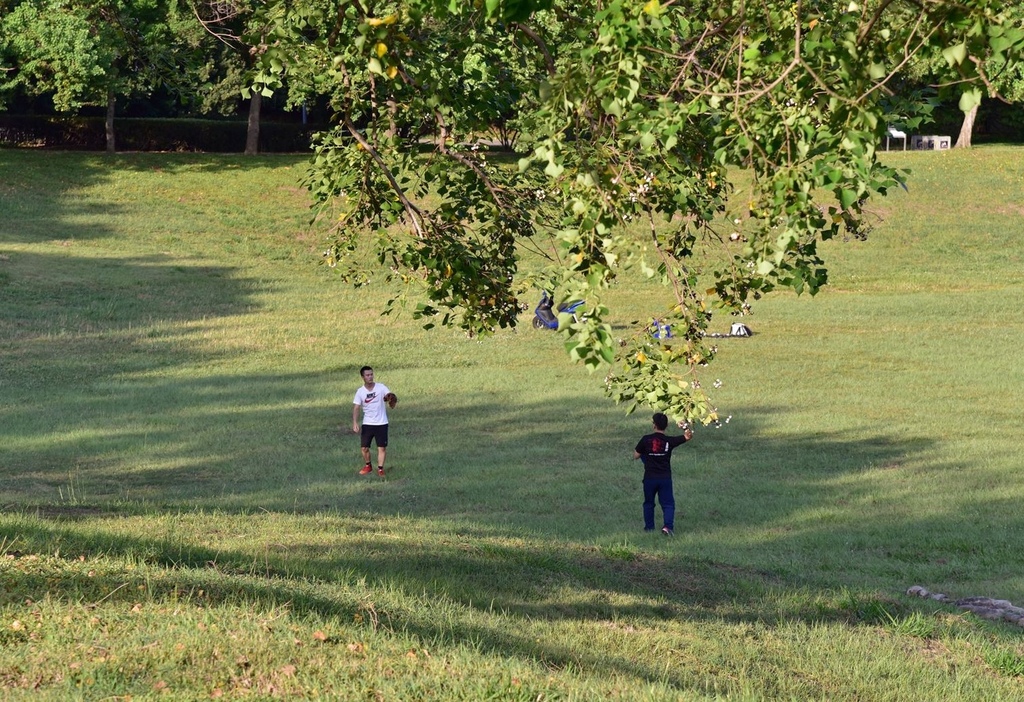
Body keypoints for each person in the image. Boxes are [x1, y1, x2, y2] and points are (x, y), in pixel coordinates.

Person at [633, 412, 693, 535]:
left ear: (654, 425)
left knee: (649, 503)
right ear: (665, 426)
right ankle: (667, 527)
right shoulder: (669, 441)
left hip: (649, 478)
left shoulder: (646, 439)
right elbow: (688, 436)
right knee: (668, 504)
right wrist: (684, 427)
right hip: (665, 478)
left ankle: (649, 528)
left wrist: (646, 454)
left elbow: (636, 455)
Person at [352, 366, 395, 476]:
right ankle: (368, 466)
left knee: (382, 447)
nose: (370, 377)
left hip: (382, 423)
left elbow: (388, 395)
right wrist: (355, 422)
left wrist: (389, 398)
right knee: (364, 448)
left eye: (371, 374)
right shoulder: (360, 392)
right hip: (368, 423)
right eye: (367, 375)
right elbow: (356, 407)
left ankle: (380, 469)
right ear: (363, 377)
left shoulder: (381, 387)